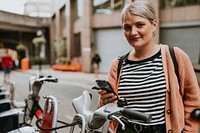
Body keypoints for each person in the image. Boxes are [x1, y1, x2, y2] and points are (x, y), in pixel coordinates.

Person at [98, 0, 200, 133]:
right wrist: (104, 101)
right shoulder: (117, 64)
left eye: (139, 25)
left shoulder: (176, 56)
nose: (133, 32)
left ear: (154, 24)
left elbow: (193, 102)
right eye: (127, 27)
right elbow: (105, 110)